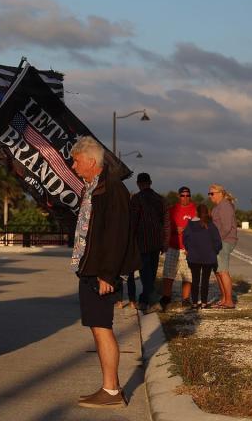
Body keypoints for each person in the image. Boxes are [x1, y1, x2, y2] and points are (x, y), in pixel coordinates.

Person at [69, 136, 139, 409]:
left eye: (76, 161)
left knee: (103, 328)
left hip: (101, 272)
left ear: (90, 161)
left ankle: (111, 391)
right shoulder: (92, 188)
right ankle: (109, 387)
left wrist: (108, 275)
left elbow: (117, 235)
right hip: (91, 269)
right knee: (97, 329)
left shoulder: (113, 190)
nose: (74, 166)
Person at [127, 172, 165, 312]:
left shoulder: (136, 199)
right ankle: (144, 301)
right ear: (150, 182)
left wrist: (130, 239)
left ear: (138, 183)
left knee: (145, 274)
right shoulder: (160, 199)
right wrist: (164, 242)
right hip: (156, 241)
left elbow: (133, 221)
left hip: (141, 242)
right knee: (151, 274)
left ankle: (154, 302)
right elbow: (165, 222)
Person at [161, 186, 196, 309]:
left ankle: (186, 299)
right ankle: (166, 297)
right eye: (183, 195)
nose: (185, 197)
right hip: (173, 247)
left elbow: (201, 227)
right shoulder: (172, 210)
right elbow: (165, 227)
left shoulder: (195, 210)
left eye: (188, 195)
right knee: (168, 274)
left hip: (188, 249)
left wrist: (187, 230)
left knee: (187, 275)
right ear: (178, 196)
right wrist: (174, 230)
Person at [182, 203, 222, 309]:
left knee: (195, 280)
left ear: (196, 212)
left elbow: (185, 239)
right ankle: (204, 303)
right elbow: (218, 242)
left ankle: (195, 303)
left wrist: (189, 249)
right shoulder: (211, 225)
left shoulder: (190, 225)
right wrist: (214, 251)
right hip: (209, 257)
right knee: (205, 280)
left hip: (193, 257)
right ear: (207, 212)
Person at [209, 184, 238, 309]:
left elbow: (226, 228)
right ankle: (224, 299)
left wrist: (215, 241)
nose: (210, 196)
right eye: (209, 193)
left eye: (212, 193)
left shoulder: (225, 206)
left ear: (220, 193)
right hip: (218, 241)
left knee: (223, 271)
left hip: (224, 241)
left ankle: (229, 301)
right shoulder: (218, 206)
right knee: (217, 271)